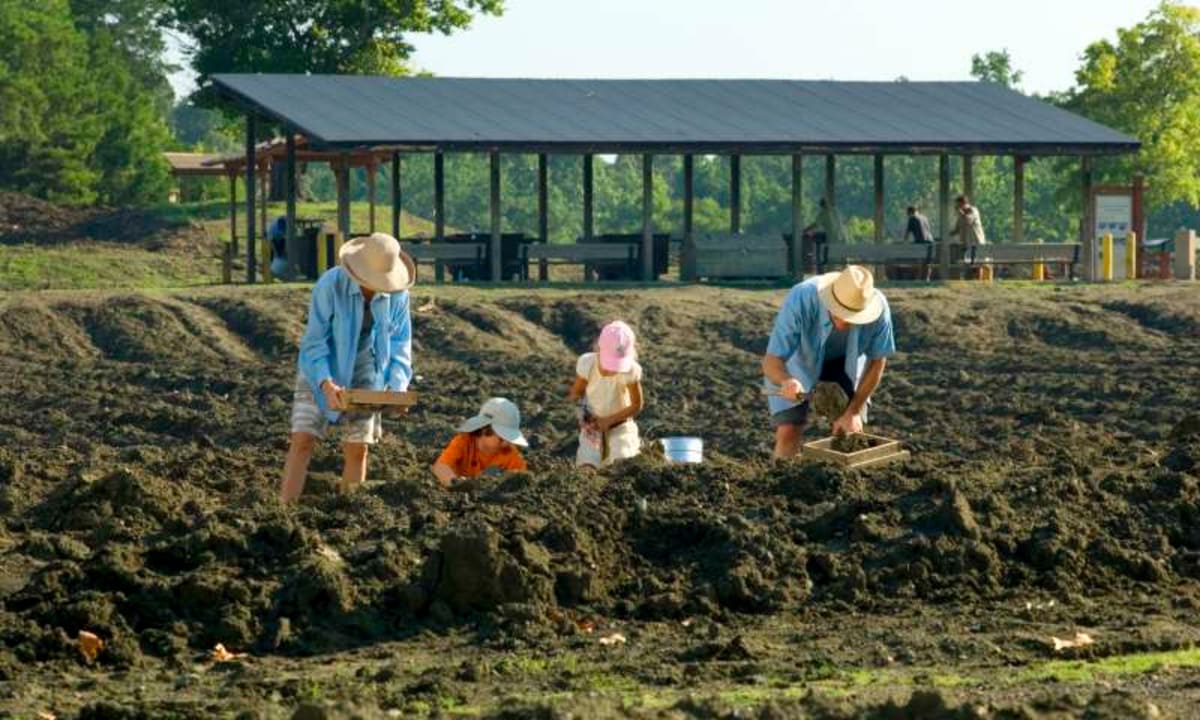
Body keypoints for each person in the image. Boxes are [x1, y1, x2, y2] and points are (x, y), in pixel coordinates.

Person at [280, 232, 416, 503]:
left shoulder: (398, 295)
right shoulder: (330, 285)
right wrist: (326, 384)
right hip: (321, 367)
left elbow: (401, 343)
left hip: (367, 371)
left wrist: (398, 389)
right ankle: (283, 511)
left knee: (357, 448)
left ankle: (351, 514)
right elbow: (314, 342)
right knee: (303, 439)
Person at [761, 265, 895, 459]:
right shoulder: (801, 297)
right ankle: (779, 478)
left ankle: (848, 484)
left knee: (850, 431)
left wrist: (854, 411)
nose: (842, 322)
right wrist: (785, 381)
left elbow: (877, 363)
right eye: (839, 312)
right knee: (789, 430)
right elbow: (771, 360)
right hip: (798, 361)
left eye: (852, 317)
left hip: (845, 362)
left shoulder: (879, 309)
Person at [567, 320, 644, 467]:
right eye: (609, 363)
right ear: (599, 349)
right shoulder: (587, 364)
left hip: (621, 426)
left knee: (622, 464)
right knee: (587, 465)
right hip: (593, 427)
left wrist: (609, 421)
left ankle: (636, 447)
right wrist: (583, 416)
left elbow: (637, 405)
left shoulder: (630, 371)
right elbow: (576, 394)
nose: (612, 370)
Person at [431, 398, 529, 487]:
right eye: (502, 438)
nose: (507, 443)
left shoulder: (510, 454)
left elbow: (521, 481)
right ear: (485, 431)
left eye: (509, 439)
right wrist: (455, 483)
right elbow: (440, 467)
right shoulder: (464, 441)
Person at [949, 195, 988, 280]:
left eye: (958, 205)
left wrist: (960, 213)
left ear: (963, 203)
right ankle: (970, 282)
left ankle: (978, 283)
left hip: (975, 241)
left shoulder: (973, 210)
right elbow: (957, 229)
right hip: (966, 243)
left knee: (977, 264)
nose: (956, 207)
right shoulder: (961, 214)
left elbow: (968, 220)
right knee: (968, 265)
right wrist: (946, 235)